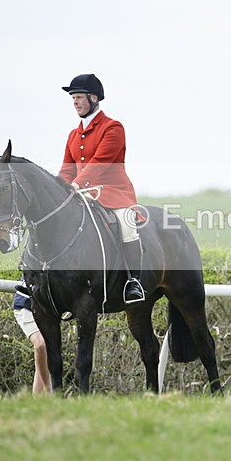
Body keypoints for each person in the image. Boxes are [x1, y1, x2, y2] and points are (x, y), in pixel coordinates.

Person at [59, 73, 144, 303]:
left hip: (113, 194)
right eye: (73, 98)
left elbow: (100, 163)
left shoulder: (113, 128)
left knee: (127, 224)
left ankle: (133, 281)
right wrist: (59, 189)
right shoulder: (73, 135)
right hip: (81, 195)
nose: (75, 102)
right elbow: (67, 170)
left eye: (79, 97)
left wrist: (76, 185)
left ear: (93, 98)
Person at [13, 280, 52, 393]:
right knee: (41, 345)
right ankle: (49, 391)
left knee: (43, 354)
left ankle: (37, 399)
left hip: (47, 311)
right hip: (26, 308)